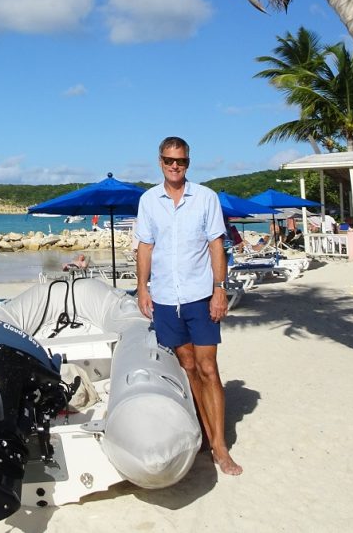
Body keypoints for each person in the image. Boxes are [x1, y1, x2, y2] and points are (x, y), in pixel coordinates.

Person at [134, 136, 242, 476]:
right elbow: (145, 248)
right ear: (160, 161)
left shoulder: (205, 198)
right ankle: (205, 435)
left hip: (199, 294)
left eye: (180, 161)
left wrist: (220, 289)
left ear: (188, 163)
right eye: (169, 160)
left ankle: (220, 446)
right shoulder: (149, 201)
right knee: (188, 365)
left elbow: (216, 245)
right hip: (166, 297)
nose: (174, 166)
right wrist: (141, 288)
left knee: (209, 367)